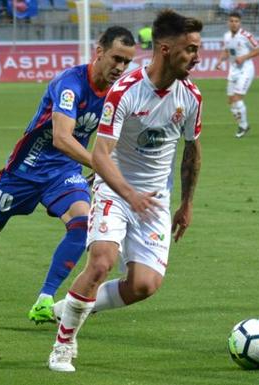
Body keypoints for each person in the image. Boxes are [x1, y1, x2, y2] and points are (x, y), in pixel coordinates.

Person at [0, 26, 137, 324]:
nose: (120, 67)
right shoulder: (70, 83)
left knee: (82, 223)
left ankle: (44, 299)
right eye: (116, 59)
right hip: (25, 170)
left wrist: (103, 166)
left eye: (126, 61)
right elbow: (61, 138)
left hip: (64, 171)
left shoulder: (116, 91)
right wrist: (99, 166)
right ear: (99, 52)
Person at [48, 9, 203, 372]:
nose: (196, 57)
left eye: (197, 49)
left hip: (154, 201)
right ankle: (64, 345)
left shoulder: (192, 96)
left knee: (145, 285)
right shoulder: (124, 92)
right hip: (116, 191)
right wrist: (129, 194)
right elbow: (101, 155)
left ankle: (69, 306)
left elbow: (192, 152)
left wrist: (187, 204)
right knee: (101, 260)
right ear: (166, 49)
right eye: (190, 49)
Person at [214, 11, 259, 138]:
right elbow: (226, 50)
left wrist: (244, 57)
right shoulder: (226, 36)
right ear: (228, 22)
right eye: (231, 21)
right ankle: (243, 124)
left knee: (237, 98)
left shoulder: (246, 35)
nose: (234, 24)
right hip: (233, 71)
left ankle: (243, 126)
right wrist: (220, 60)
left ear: (240, 23)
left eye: (236, 21)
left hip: (246, 70)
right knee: (231, 101)